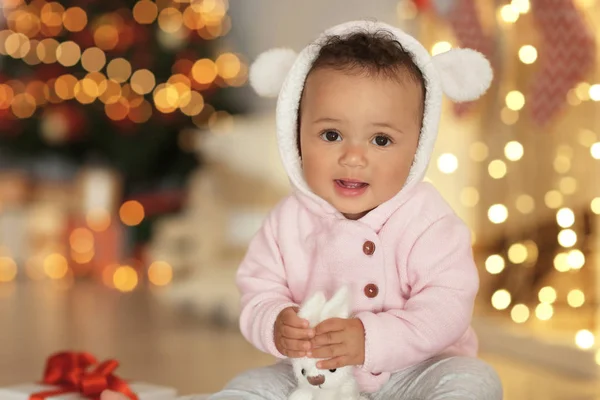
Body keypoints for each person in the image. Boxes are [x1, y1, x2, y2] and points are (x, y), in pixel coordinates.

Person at [102, 19, 502, 400]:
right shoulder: (288, 221)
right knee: (251, 385)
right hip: (315, 378)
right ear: (296, 134)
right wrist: (276, 323)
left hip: (416, 372)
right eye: (332, 135)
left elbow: (446, 306)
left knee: (474, 380)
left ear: (418, 146)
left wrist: (371, 338)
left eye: (381, 140)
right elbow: (259, 292)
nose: (353, 157)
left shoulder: (429, 220)